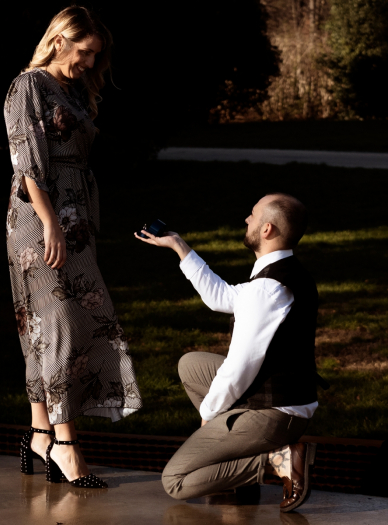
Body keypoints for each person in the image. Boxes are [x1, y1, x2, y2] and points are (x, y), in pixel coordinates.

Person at [5, 6, 142, 488]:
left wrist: (73, 219)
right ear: (60, 39)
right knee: (59, 323)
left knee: (46, 326)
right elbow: (27, 163)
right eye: (85, 52)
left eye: (96, 56)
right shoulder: (29, 85)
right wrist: (50, 224)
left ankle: (41, 433)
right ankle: (65, 444)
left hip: (73, 216)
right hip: (40, 215)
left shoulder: (71, 88)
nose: (89, 63)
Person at [135, 193, 320, 512]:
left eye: (252, 215)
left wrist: (209, 414)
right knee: (191, 365)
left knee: (176, 480)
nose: (246, 219)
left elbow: (239, 367)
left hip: (275, 413)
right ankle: (237, 480)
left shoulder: (267, 290)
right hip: (284, 398)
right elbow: (223, 297)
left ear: (267, 230)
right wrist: (181, 248)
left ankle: (278, 462)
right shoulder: (284, 273)